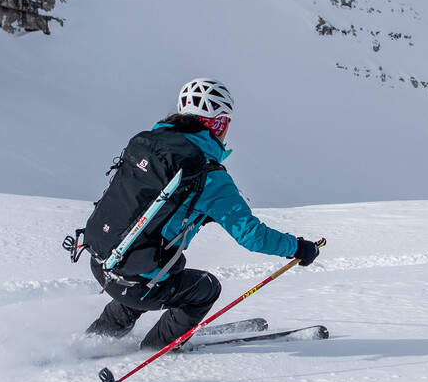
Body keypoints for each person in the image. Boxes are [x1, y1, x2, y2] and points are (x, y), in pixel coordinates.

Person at [84, 78, 321, 349]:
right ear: (218, 123)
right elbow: (252, 236)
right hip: (136, 282)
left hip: (102, 260)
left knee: (159, 270)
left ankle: (91, 342)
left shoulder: (152, 144)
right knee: (205, 289)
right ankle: (155, 349)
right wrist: (299, 247)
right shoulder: (208, 175)